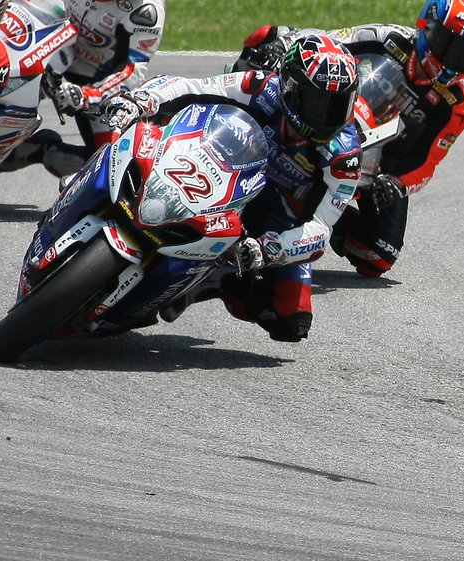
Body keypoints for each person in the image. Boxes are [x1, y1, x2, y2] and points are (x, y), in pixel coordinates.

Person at [101, 34, 363, 342]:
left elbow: (320, 230)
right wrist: (142, 100)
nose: (326, 115)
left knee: (291, 320)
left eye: (338, 104)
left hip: (276, 221)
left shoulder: (345, 157)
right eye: (318, 102)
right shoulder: (261, 87)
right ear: (291, 87)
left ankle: (211, 280)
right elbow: (192, 87)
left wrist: (272, 248)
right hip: (220, 172)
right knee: (139, 130)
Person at [232, 0, 464, 278]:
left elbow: (427, 161)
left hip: (381, 165)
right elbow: (327, 41)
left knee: (378, 255)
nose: (455, 60)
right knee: (264, 48)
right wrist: (283, 44)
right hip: (332, 120)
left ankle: (321, 214)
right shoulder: (388, 38)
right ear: (428, 26)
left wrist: (396, 184)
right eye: (451, 46)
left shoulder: (459, 101)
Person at [0, 0, 167, 177]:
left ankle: (43, 150)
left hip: (96, 78)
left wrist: (88, 95)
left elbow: (132, 71)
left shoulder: (146, 11)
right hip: (50, 48)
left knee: (113, 169)